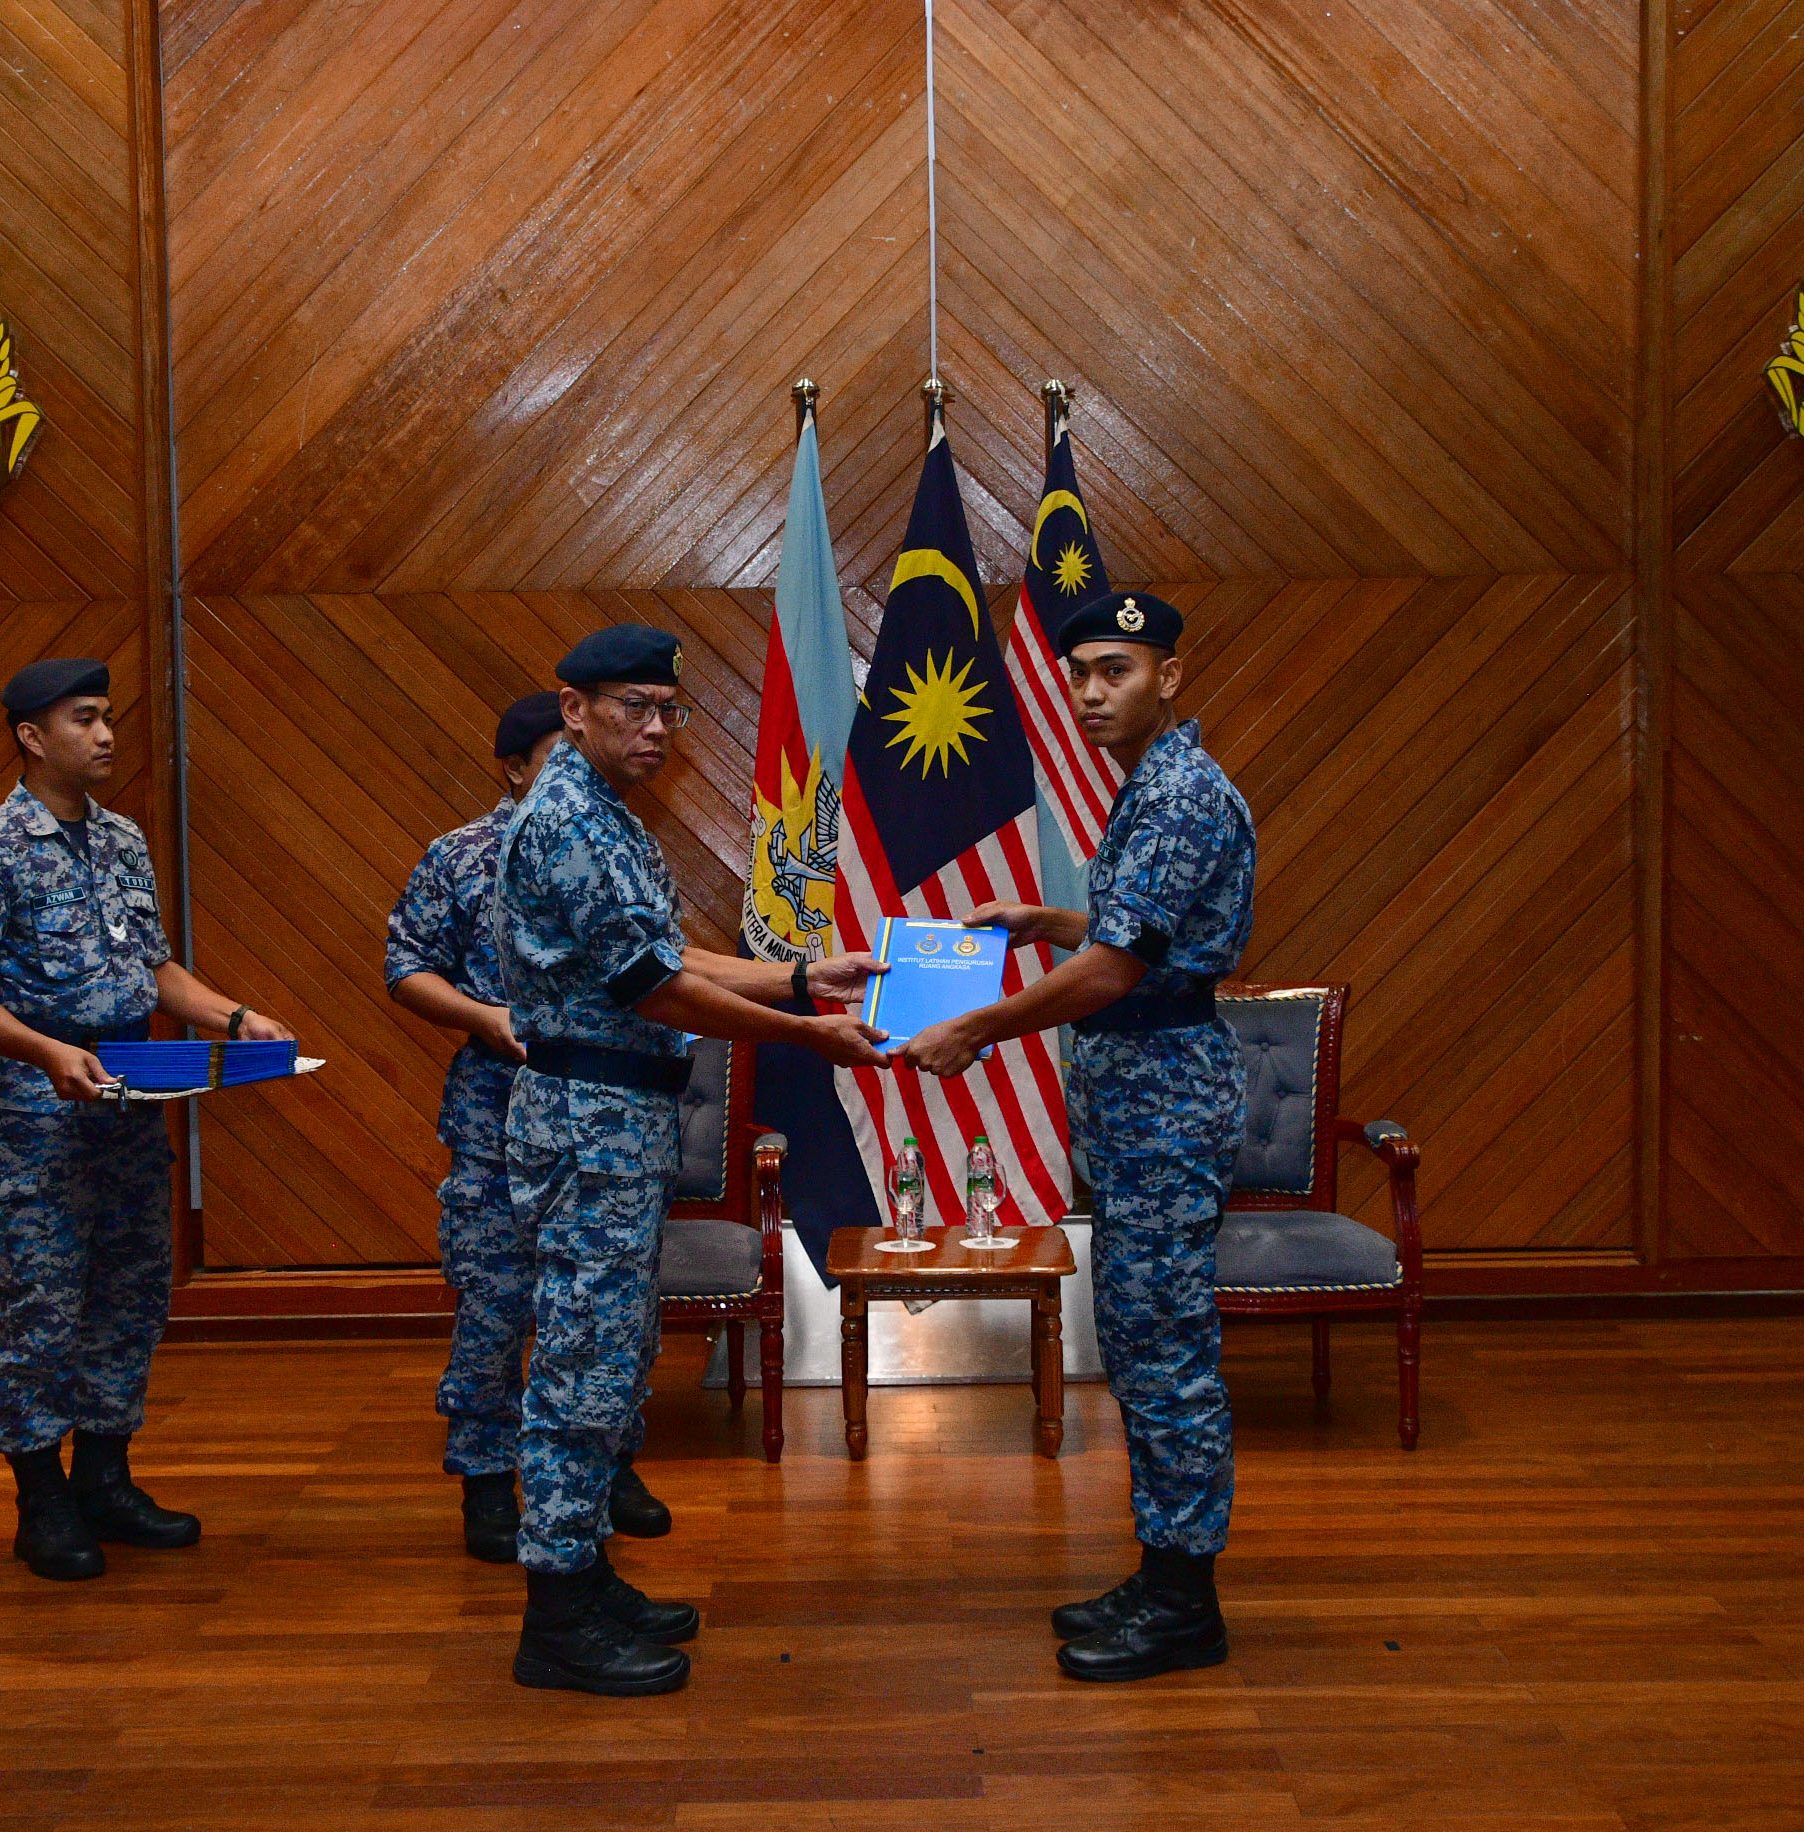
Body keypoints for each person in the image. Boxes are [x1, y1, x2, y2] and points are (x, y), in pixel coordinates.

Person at [497, 624, 892, 1695]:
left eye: (668, 708)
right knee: (580, 1372)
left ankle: (583, 1574)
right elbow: (657, 992)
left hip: (616, 1127)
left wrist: (804, 974)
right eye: (633, 705)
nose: (657, 727)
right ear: (571, 708)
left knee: (610, 1366)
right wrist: (810, 1030)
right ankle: (556, 1616)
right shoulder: (572, 820)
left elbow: (670, 955)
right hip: (587, 1126)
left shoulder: (610, 818)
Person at [897, 592, 1256, 1682]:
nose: (1093, 692)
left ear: (1170, 678)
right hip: (1137, 1095)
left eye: (1116, 670)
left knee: (1166, 1348)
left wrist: (977, 1023)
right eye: (1081, 674)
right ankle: (1163, 1568)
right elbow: (1136, 937)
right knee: (1144, 1342)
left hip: (1165, 1098)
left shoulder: (1183, 794)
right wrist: (1043, 923)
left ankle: (1187, 1597)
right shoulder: (1147, 785)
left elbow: (1119, 971)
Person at [0, 658, 295, 1582]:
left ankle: (104, 1474)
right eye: (84, 719)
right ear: (30, 735)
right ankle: (39, 1497)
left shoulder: (123, 841)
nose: (104, 735)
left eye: (107, 719)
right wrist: (47, 1051)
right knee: (43, 1305)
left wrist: (237, 1019)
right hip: (37, 1113)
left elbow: (155, 971)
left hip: (130, 1099)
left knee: (132, 1292)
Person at [386, 693, 680, 1562]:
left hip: (598, 1118)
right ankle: (485, 1477)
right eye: (553, 755)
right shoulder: (463, 857)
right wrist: (480, 1015)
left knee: (607, 1313)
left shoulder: (616, 842)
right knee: (499, 1305)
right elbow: (405, 969)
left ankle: (607, 1465)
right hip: (495, 1117)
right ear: (516, 767)